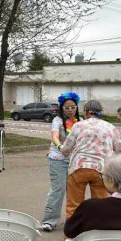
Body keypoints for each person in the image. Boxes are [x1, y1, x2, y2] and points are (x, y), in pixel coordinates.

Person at [59, 100, 121, 231]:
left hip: (79, 168)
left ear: (86, 112)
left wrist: (60, 147)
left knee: (74, 205)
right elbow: (120, 150)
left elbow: (66, 149)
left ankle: (70, 238)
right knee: (101, 205)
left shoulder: (78, 126)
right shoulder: (111, 127)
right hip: (102, 170)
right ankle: (99, 236)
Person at [40, 92, 80, 232]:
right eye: (67, 107)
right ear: (62, 108)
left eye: (73, 107)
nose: (70, 110)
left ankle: (73, 220)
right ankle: (49, 221)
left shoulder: (79, 122)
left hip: (74, 161)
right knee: (58, 189)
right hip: (58, 159)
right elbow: (55, 136)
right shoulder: (57, 120)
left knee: (74, 191)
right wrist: (59, 146)